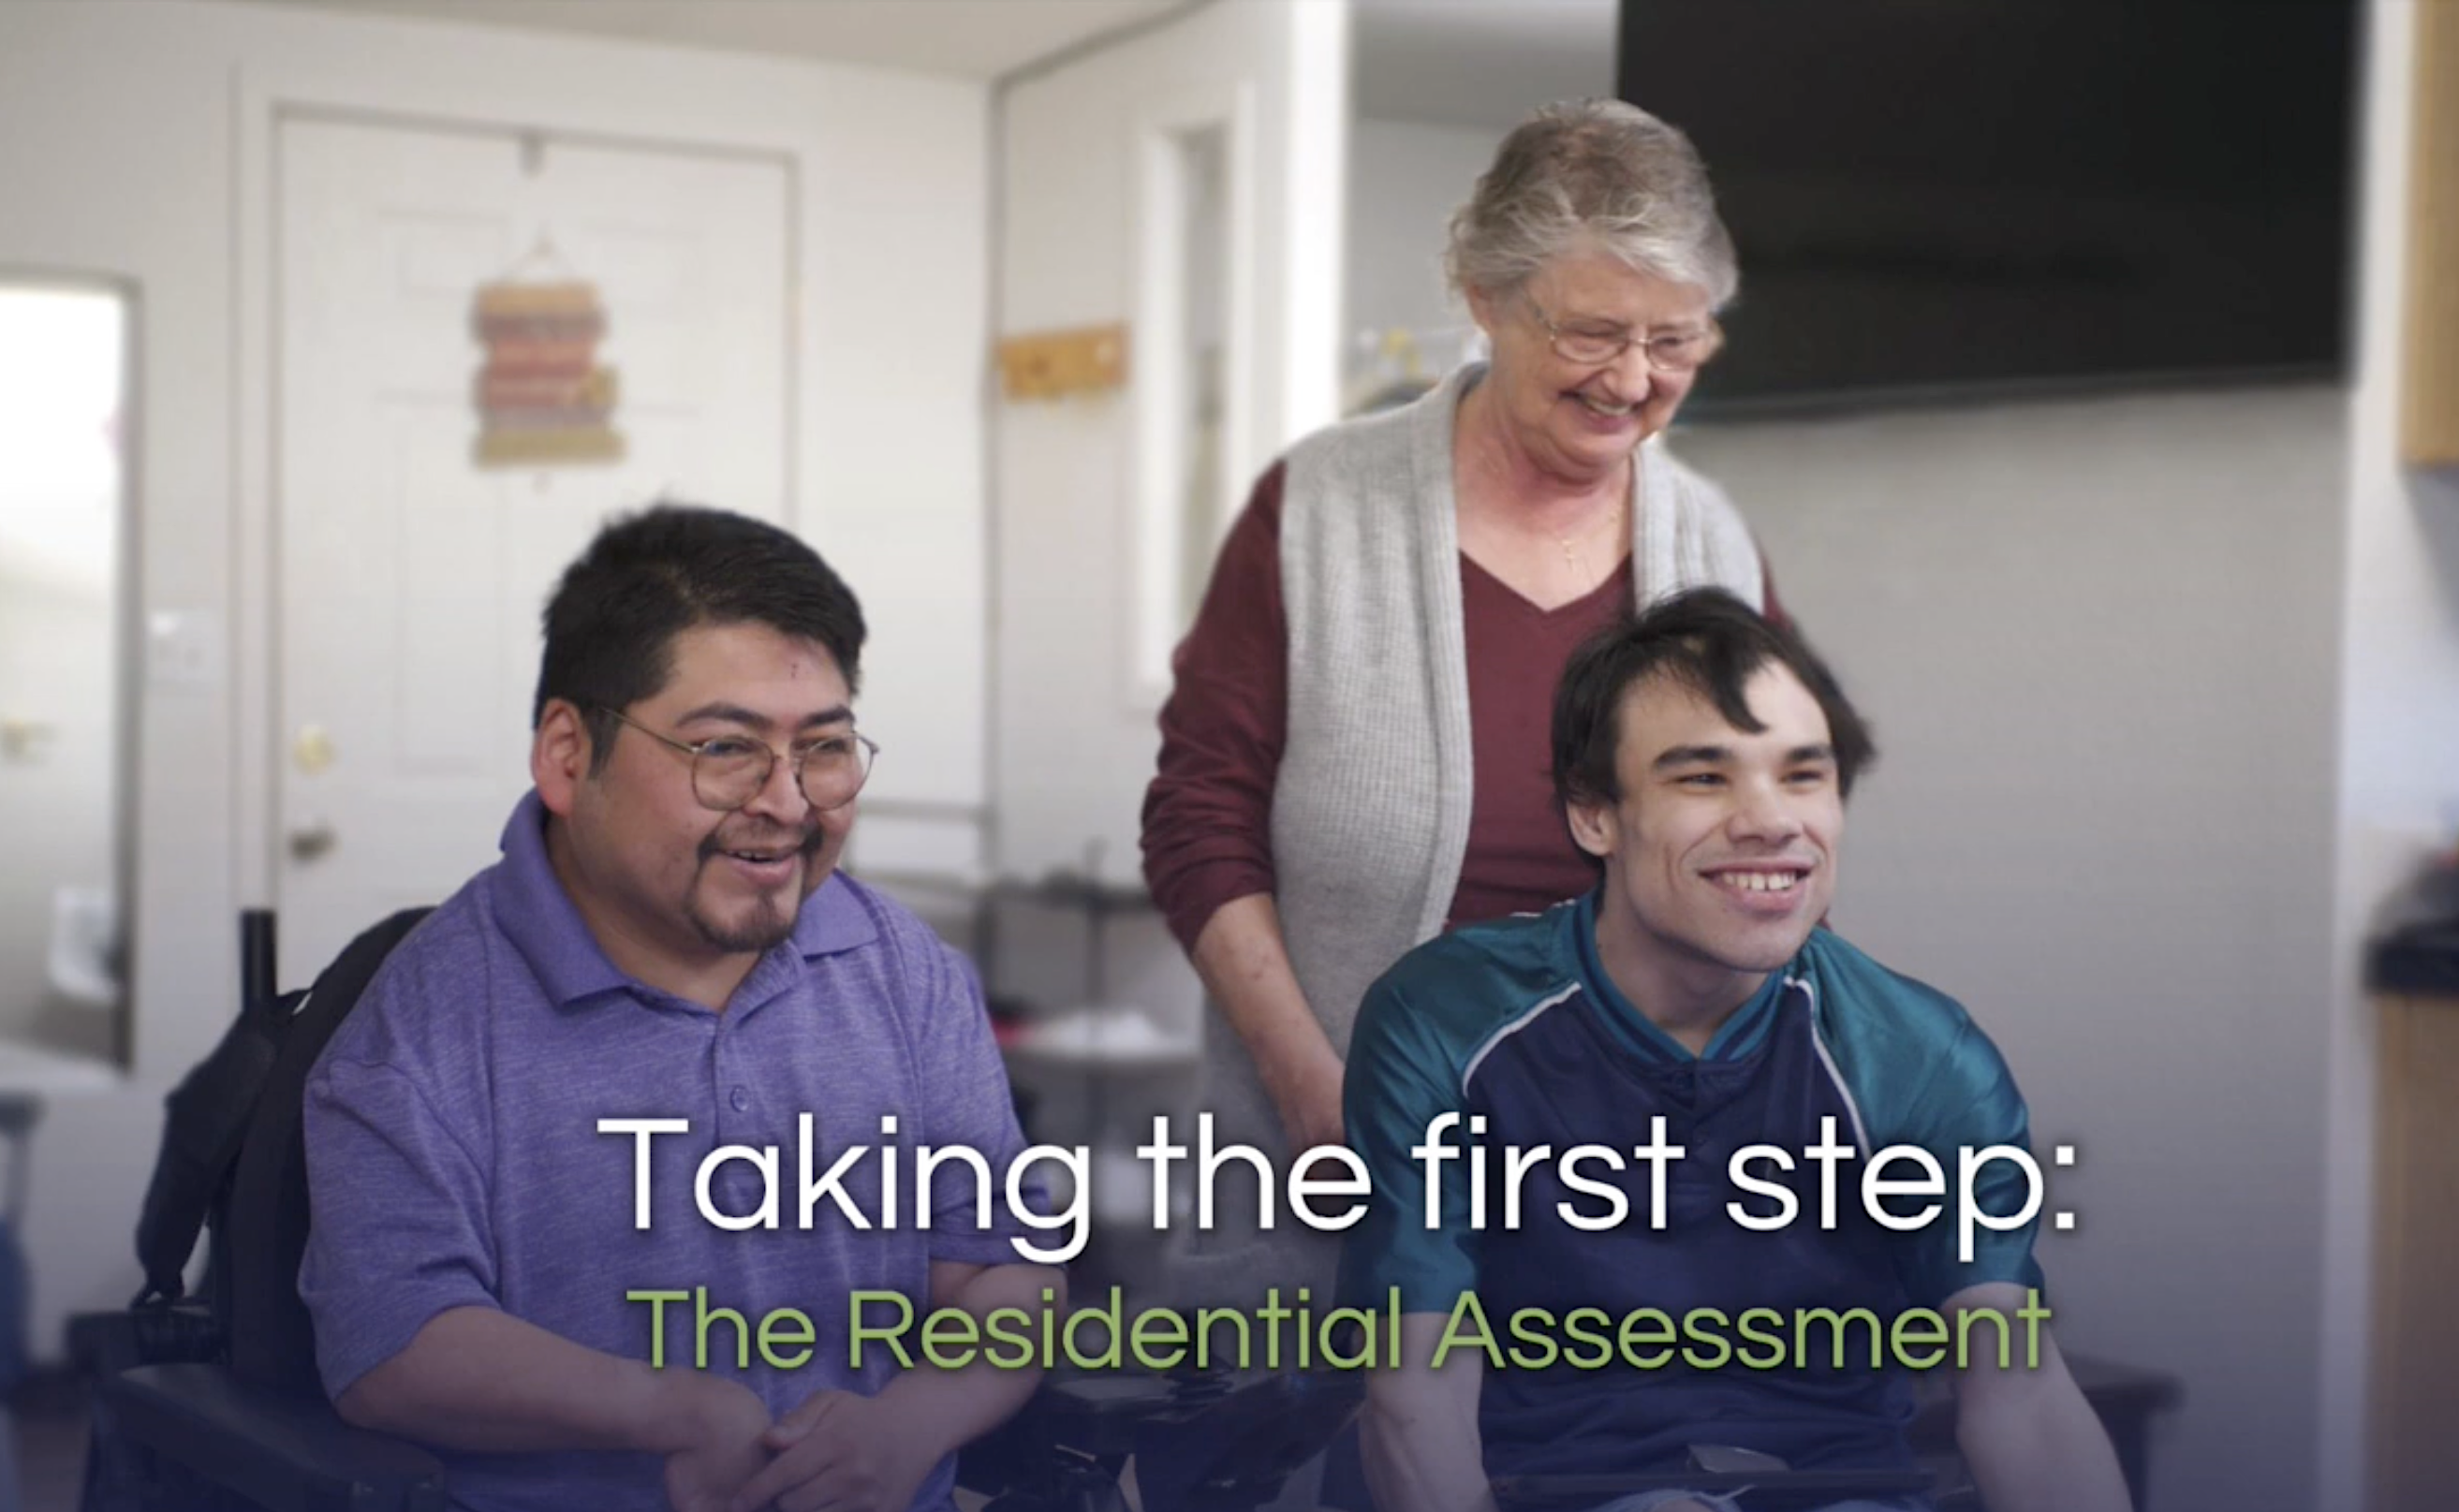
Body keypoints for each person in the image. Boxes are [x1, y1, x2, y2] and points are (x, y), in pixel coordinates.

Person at [299, 506, 1061, 1512]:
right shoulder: (427, 1020)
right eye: (724, 747)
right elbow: (390, 1346)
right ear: (569, 757)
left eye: (823, 747)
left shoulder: (903, 970)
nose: (788, 804)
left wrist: (904, 1430)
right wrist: (673, 1411)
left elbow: (1000, 1273)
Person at [1142, 97, 1778, 1302]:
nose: (1633, 381)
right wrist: (1307, 1087)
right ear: (1484, 298)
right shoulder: (1321, 507)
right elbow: (1198, 816)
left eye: (1676, 341)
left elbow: (1773, 825)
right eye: (1592, 332)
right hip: (1336, 1143)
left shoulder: (1710, 544)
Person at [1341, 590, 2131, 1512]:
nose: (1771, 821)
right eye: (1703, 777)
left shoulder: (1919, 1056)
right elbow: (1413, 1389)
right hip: (1544, 1487)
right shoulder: (1442, 1016)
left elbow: (2021, 1393)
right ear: (1594, 813)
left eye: (1802, 775)